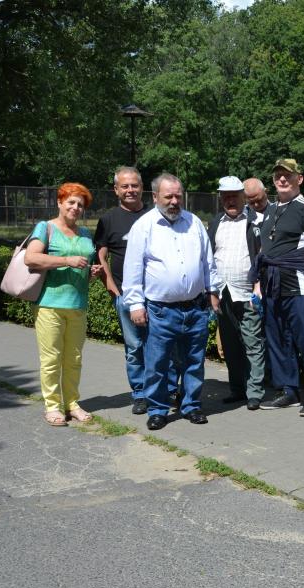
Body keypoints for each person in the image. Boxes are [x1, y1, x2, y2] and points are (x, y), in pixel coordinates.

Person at [123, 173, 221, 431]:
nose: (175, 201)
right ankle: (157, 409)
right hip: (160, 310)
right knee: (157, 363)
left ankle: (191, 405)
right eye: (169, 196)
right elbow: (133, 269)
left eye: (178, 195)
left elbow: (207, 261)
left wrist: (213, 291)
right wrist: (135, 305)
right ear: (155, 197)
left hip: (196, 308)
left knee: (193, 360)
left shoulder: (194, 222)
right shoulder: (144, 226)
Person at [94, 166, 181, 414]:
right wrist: (112, 288)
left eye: (134, 185)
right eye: (125, 186)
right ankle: (141, 393)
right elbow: (101, 255)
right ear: (116, 190)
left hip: (158, 298)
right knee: (135, 349)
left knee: (166, 346)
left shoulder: (157, 214)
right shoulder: (108, 220)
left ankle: (169, 391)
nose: (130, 190)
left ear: (142, 188)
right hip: (127, 297)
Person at [253, 159, 304, 416]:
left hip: (299, 285)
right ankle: (289, 390)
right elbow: (265, 249)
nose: (282, 179)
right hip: (272, 286)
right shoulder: (271, 209)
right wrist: (258, 282)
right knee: (277, 340)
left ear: (300, 178)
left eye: (287, 175)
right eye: (277, 175)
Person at [25, 183, 102, 426]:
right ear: (59, 202)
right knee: (51, 359)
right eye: (71, 202)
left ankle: (72, 403)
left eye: (80, 204)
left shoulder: (85, 234)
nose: (76, 207)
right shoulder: (45, 228)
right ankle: (52, 406)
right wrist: (66, 259)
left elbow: (82, 268)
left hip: (77, 304)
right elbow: (31, 257)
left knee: (74, 358)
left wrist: (92, 272)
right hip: (49, 304)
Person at [207, 176, 266, 411]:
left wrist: (258, 287)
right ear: (221, 198)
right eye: (226, 196)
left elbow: (262, 257)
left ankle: (255, 392)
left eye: (234, 195)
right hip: (223, 293)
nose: (230, 200)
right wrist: (211, 291)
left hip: (248, 293)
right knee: (230, 346)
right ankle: (237, 390)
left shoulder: (255, 222)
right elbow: (209, 257)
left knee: (252, 343)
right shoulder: (214, 223)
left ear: (243, 196)